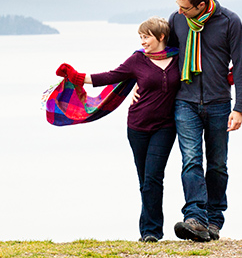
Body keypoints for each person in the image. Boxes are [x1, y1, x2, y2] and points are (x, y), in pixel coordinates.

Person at [55, 17, 180, 243]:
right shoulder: (137, 60)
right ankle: (148, 232)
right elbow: (111, 76)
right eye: (141, 37)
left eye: (147, 36)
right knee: (144, 179)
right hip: (137, 127)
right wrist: (78, 77)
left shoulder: (179, 58)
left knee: (153, 177)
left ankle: (152, 231)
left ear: (161, 36)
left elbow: (200, 74)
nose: (143, 41)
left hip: (165, 127)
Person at [168, 0, 242, 243]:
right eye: (178, 6)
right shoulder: (177, 20)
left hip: (219, 103)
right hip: (185, 101)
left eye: (186, 8)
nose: (180, 12)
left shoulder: (229, 21)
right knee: (191, 159)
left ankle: (213, 220)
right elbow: (163, 56)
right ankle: (194, 217)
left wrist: (240, 108)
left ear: (201, 5)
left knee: (217, 165)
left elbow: (241, 66)